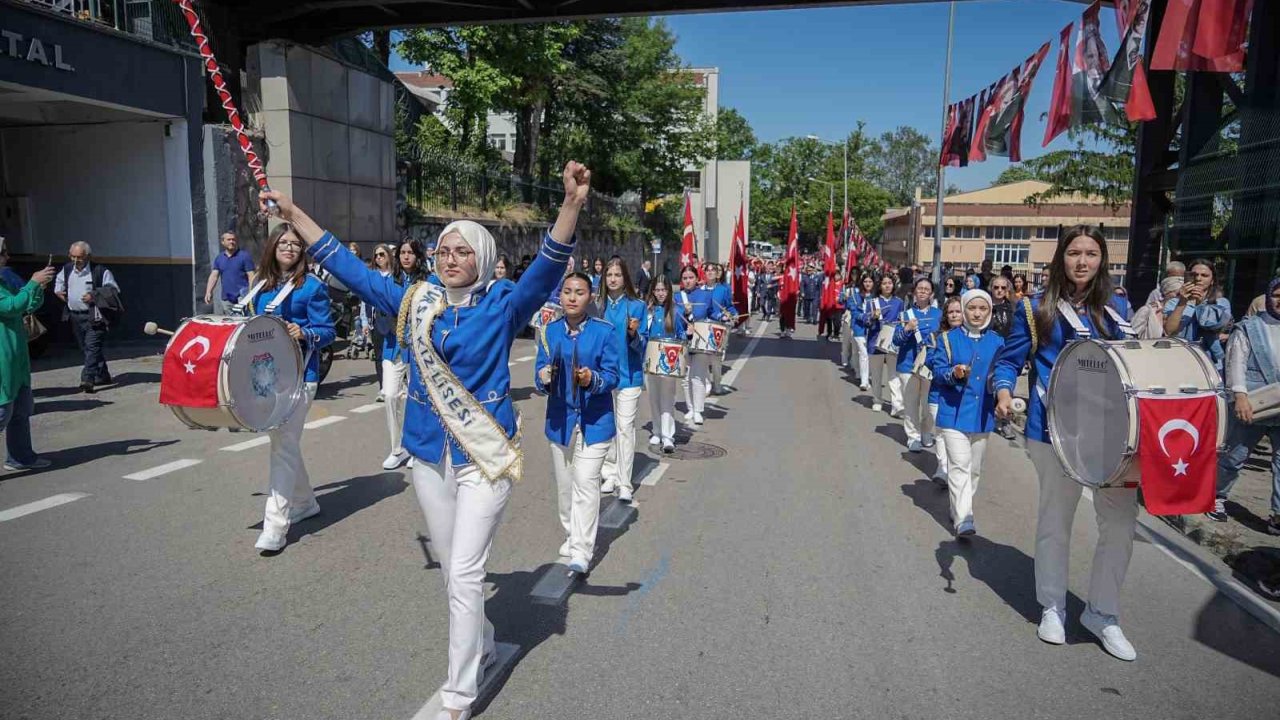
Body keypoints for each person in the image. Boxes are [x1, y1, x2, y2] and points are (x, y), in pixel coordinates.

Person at [278, 160, 592, 720]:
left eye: (463, 251)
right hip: (428, 455)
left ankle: (459, 692)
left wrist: (570, 204)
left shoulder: (503, 304)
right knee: (455, 574)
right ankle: (486, 640)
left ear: (484, 259)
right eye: (444, 250)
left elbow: (548, 267)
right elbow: (350, 269)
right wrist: (294, 214)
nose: (450, 259)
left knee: (467, 574)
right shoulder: (414, 301)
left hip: (484, 458)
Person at [993, 224, 1138, 662]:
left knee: (1120, 526)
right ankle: (1052, 606)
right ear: (1061, 258)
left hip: (1112, 434)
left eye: (1091, 253)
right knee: (1056, 520)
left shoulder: (1117, 306)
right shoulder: (1036, 307)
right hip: (1052, 430)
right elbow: (1009, 360)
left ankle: (1103, 613)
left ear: (1102, 260)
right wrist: (1003, 391)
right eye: (1073, 252)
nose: (1082, 261)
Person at [241, 222, 336, 553]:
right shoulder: (261, 286)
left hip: (301, 376)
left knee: (282, 446)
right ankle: (306, 502)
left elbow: (328, 332)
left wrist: (304, 332)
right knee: (285, 442)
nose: (290, 248)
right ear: (273, 246)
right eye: (284, 242)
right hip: (267, 376)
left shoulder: (311, 287)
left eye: (296, 244)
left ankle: (275, 527)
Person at [536, 272, 620, 573]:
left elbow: (613, 376)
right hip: (560, 420)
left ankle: (583, 550)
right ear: (560, 295)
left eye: (580, 292)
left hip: (595, 420)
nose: (572, 297)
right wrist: (543, 378)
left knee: (585, 481)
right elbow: (539, 372)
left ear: (591, 296)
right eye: (567, 291)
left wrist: (591, 379)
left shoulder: (605, 331)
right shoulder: (548, 331)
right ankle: (572, 533)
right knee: (566, 486)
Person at [1207, 277, 1280, 533]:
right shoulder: (1250, 328)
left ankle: (1278, 514)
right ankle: (1216, 497)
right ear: (1268, 297)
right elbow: (1235, 362)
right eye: (1277, 295)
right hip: (1253, 403)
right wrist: (1239, 396)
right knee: (1235, 456)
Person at [931, 289, 1004, 537]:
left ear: (989, 311)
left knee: (974, 470)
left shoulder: (997, 342)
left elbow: (1004, 374)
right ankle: (965, 519)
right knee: (960, 465)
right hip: (952, 412)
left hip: (983, 414)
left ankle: (959, 508)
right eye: (972, 308)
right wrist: (955, 373)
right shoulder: (948, 339)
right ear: (963, 310)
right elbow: (939, 372)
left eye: (982, 308)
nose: (977, 313)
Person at [1, 239, 55, 472]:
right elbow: (11, 306)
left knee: (21, 410)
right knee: (2, 413)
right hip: (2, 359)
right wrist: (33, 283)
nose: (7, 257)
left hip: (17, 358)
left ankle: (21, 457)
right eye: (3, 252)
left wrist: (38, 288)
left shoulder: (4, 279)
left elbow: (26, 305)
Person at [598, 258, 646, 504]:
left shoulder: (637, 306)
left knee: (625, 428)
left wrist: (634, 333)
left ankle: (625, 482)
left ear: (625, 278)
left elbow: (644, 345)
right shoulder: (598, 305)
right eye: (609, 275)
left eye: (617, 274)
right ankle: (610, 472)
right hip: (604, 378)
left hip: (630, 376)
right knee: (608, 428)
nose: (613, 279)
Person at [377, 240, 426, 470]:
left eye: (411, 253)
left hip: (416, 348)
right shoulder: (389, 281)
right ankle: (397, 449)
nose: (406, 257)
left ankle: (415, 447)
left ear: (418, 256)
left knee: (416, 398)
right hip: (392, 345)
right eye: (403, 253)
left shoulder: (427, 282)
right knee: (390, 394)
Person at [54, 241, 118, 394]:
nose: (76, 260)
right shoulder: (67, 269)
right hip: (75, 315)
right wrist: (58, 291)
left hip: (94, 316)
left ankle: (87, 380)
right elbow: (59, 283)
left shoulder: (100, 271)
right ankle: (103, 375)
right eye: (72, 256)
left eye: (79, 257)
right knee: (87, 347)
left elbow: (113, 289)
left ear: (88, 256)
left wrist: (94, 295)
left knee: (91, 347)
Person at [893, 278, 941, 452]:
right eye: (919, 288)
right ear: (914, 292)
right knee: (911, 404)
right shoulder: (906, 315)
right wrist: (907, 329)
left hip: (930, 366)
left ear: (931, 294)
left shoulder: (939, 314)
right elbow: (895, 341)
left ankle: (926, 432)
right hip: (908, 365)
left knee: (929, 404)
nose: (922, 291)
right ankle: (913, 436)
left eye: (926, 289)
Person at [1163, 258, 1232, 375]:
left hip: (1210, 362)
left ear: (1212, 280)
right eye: (1194, 275)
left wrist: (1200, 305)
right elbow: (1169, 330)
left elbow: (1214, 326)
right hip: (1180, 358)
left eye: (1204, 275)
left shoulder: (1221, 303)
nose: (1199, 279)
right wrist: (1182, 302)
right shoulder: (1174, 303)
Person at [642, 276, 687, 454]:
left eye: (664, 290)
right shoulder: (648, 311)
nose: (660, 293)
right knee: (653, 396)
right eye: (657, 290)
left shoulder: (676, 311)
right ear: (653, 291)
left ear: (669, 291)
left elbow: (682, 334)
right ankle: (657, 430)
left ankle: (668, 436)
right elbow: (643, 335)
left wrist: (687, 336)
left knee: (667, 398)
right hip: (650, 358)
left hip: (669, 360)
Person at [678, 264, 727, 425]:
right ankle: (690, 407)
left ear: (697, 278)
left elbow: (712, 313)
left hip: (701, 339)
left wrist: (722, 316)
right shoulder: (677, 297)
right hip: (684, 338)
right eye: (685, 278)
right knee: (685, 378)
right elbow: (672, 317)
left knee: (697, 376)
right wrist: (683, 314)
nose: (687, 281)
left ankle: (698, 410)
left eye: (691, 277)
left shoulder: (705, 295)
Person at [928, 296, 965, 485]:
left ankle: (956, 468)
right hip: (938, 392)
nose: (954, 315)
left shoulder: (972, 336)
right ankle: (942, 469)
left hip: (963, 394)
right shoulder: (936, 336)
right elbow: (929, 361)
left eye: (958, 311)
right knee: (941, 432)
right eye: (951, 312)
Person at [862, 275, 903, 413]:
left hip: (892, 342)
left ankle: (897, 405)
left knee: (894, 375)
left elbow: (902, 321)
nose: (887, 286)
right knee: (876, 373)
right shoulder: (872, 302)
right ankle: (877, 400)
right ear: (879, 285)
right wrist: (872, 317)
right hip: (875, 341)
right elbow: (865, 322)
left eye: (890, 283)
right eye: (884, 283)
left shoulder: (899, 302)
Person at [369, 245, 396, 397]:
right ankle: (383, 387)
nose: (378, 258)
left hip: (393, 321)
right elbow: (365, 301)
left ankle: (396, 384)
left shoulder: (395, 275)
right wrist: (365, 322)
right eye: (376, 255)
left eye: (382, 254)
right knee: (379, 356)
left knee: (394, 356)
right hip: (377, 321)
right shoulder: (372, 276)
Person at [204, 232, 255, 311]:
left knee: (242, 322)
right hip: (227, 299)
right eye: (229, 240)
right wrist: (208, 292)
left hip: (242, 297)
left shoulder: (244, 256)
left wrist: (251, 294)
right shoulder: (219, 258)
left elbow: (251, 276)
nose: (231, 241)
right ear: (223, 242)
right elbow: (214, 276)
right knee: (230, 322)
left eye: (233, 239)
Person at [708, 263, 736, 394]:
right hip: (703, 326)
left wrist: (733, 314)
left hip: (718, 327)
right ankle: (706, 385)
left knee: (716, 359)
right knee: (702, 359)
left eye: (713, 270)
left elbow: (729, 306)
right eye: (707, 270)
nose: (710, 273)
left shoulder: (723, 289)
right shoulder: (699, 289)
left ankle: (717, 384)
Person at [844, 273, 876, 389]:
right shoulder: (855, 297)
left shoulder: (875, 297)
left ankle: (866, 374)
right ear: (862, 283)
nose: (868, 284)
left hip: (872, 330)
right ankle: (864, 381)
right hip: (859, 329)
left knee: (869, 354)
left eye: (870, 282)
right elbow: (854, 312)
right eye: (866, 281)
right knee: (863, 353)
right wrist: (865, 317)